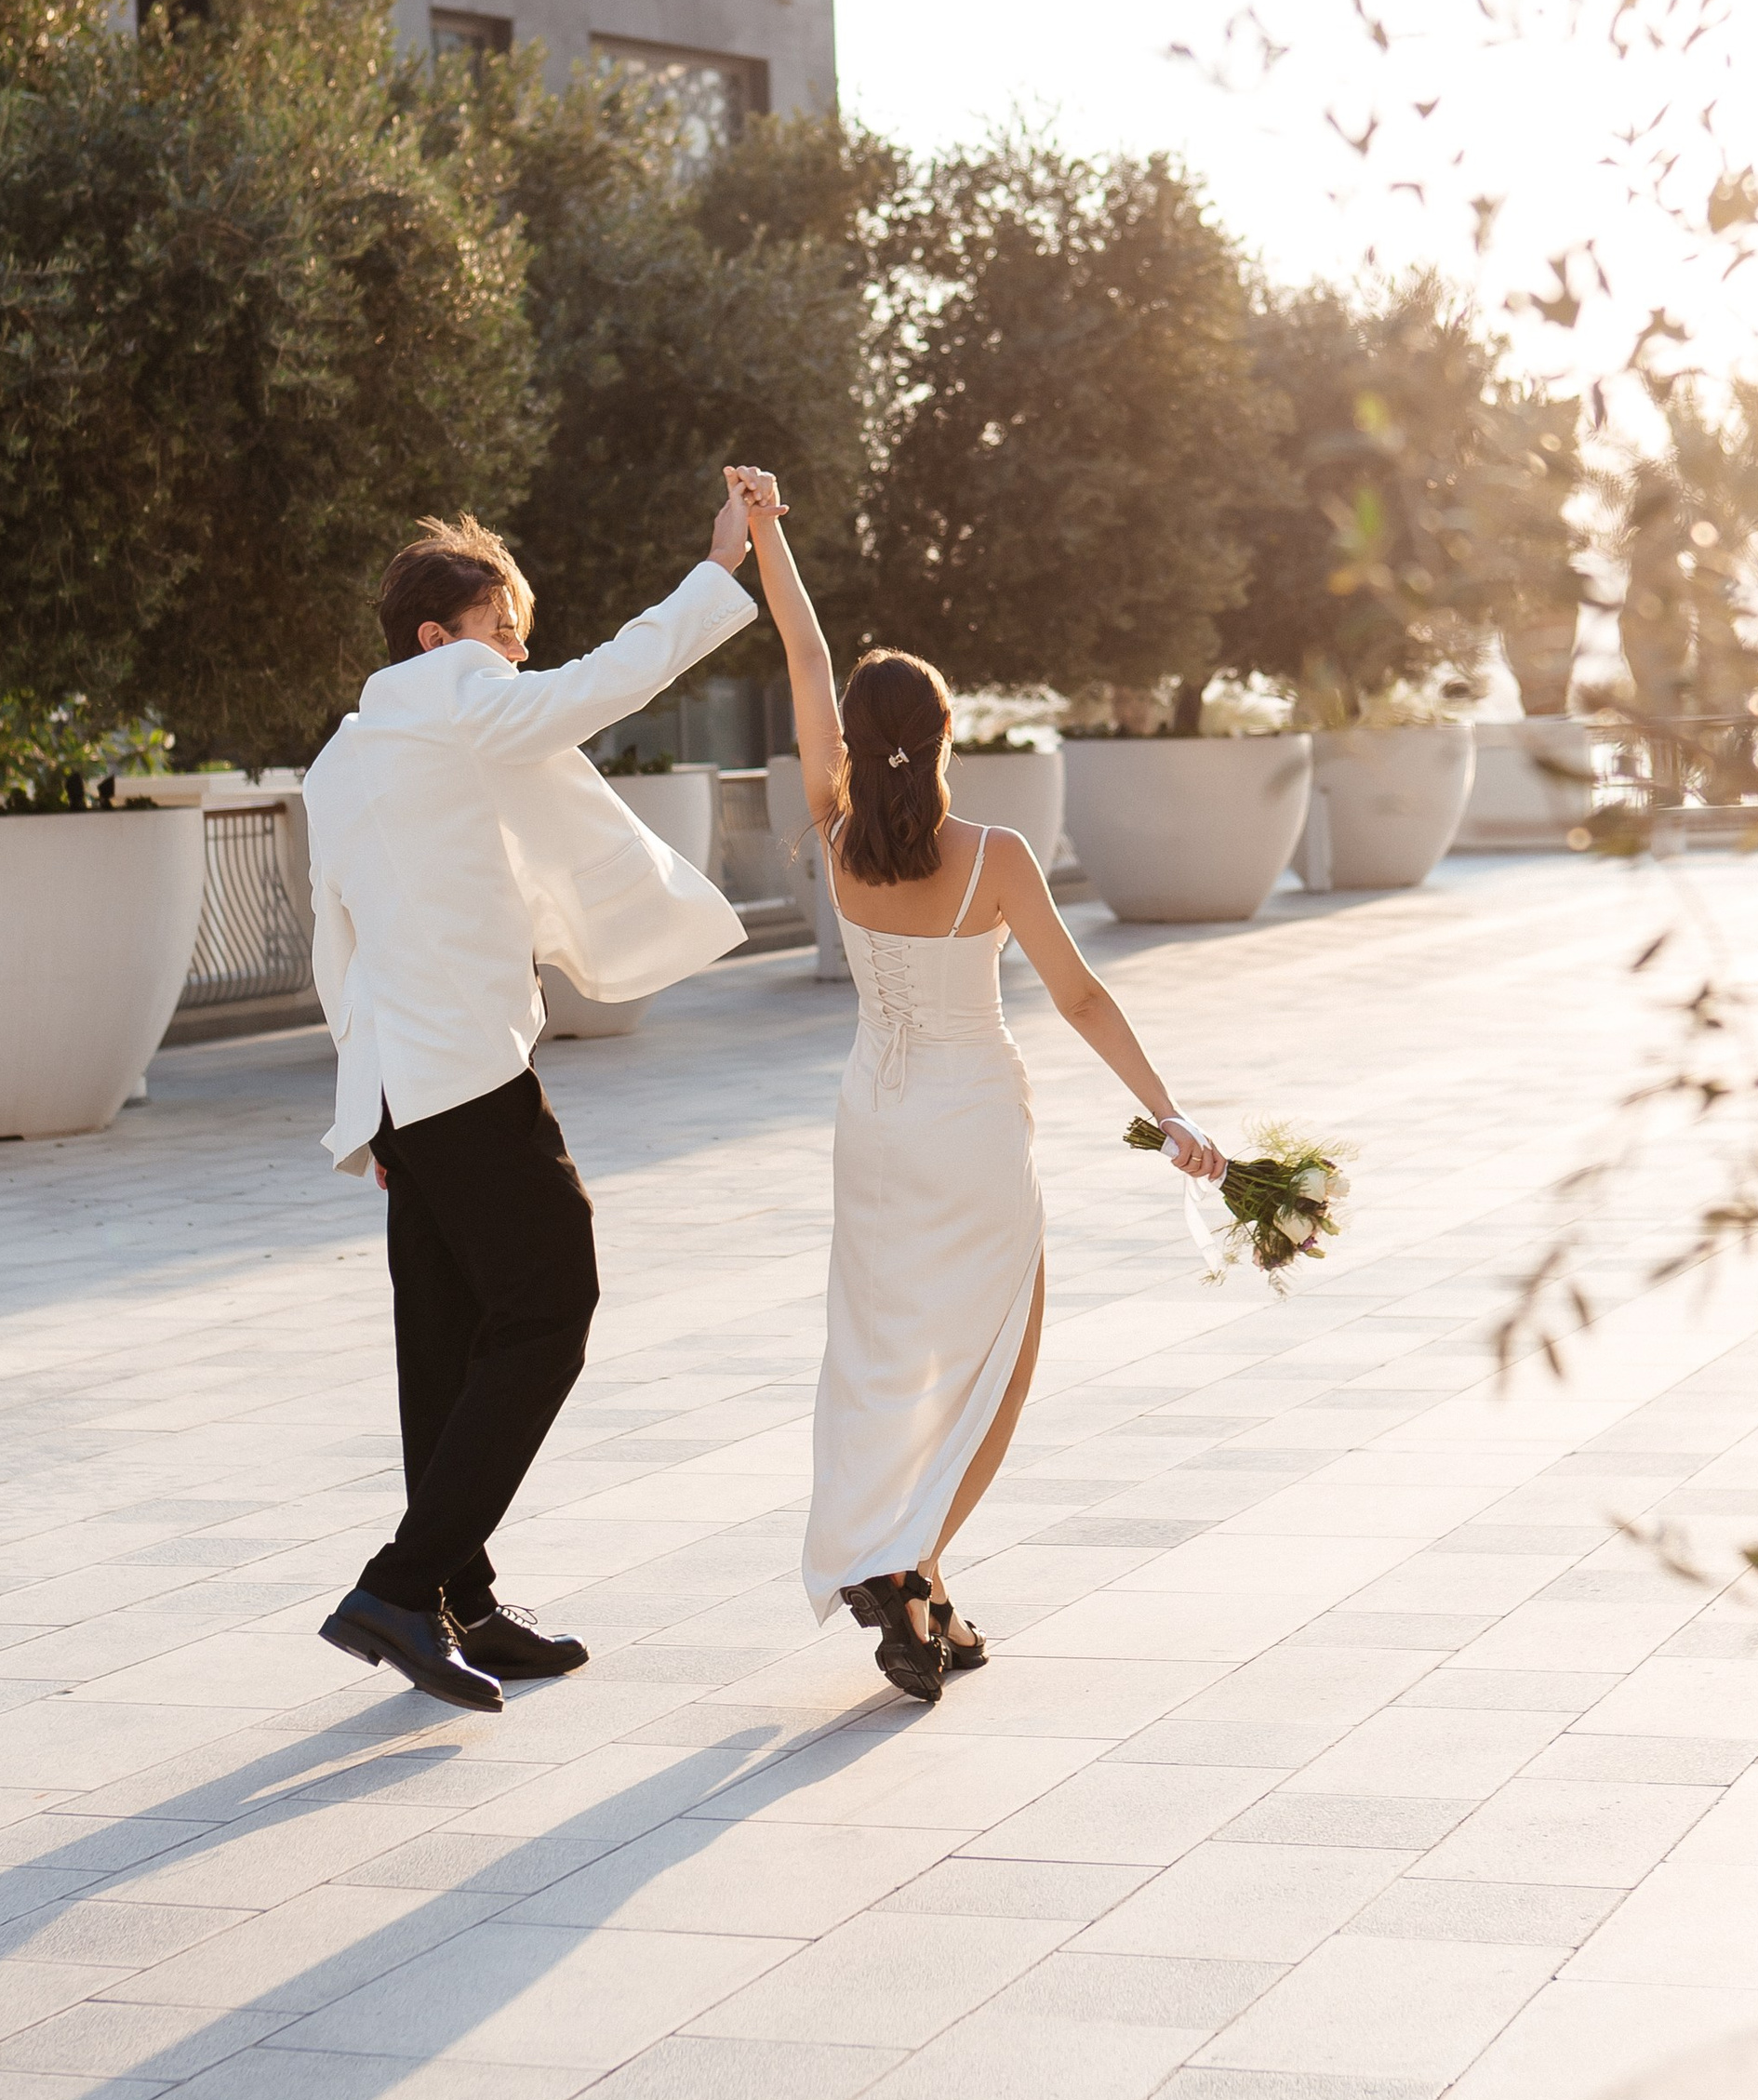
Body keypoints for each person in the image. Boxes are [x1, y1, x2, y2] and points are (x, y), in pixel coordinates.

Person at [733, 466, 1227, 1705]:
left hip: (872, 1121)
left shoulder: (836, 831)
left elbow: (802, 650)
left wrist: (764, 533)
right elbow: (1081, 997)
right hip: (970, 1126)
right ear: (948, 737)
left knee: (885, 1350)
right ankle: (901, 1567)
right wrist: (1170, 1112)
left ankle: (923, 1586)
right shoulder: (995, 858)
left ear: (857, 739)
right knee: (996, 1358)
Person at [303, 490, 760, 1711]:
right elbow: (595, 687)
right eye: (502, 628)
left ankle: (458, 1594)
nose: (519, 652)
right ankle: (400, 1586)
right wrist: (716, 571)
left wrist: (375, 1106)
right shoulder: (451, 698)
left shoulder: (346, 754)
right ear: (433, 640)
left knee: (443, 1345)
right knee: (556, 1296)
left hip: (408, 1084)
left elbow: (329, 940)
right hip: (462, 1075)